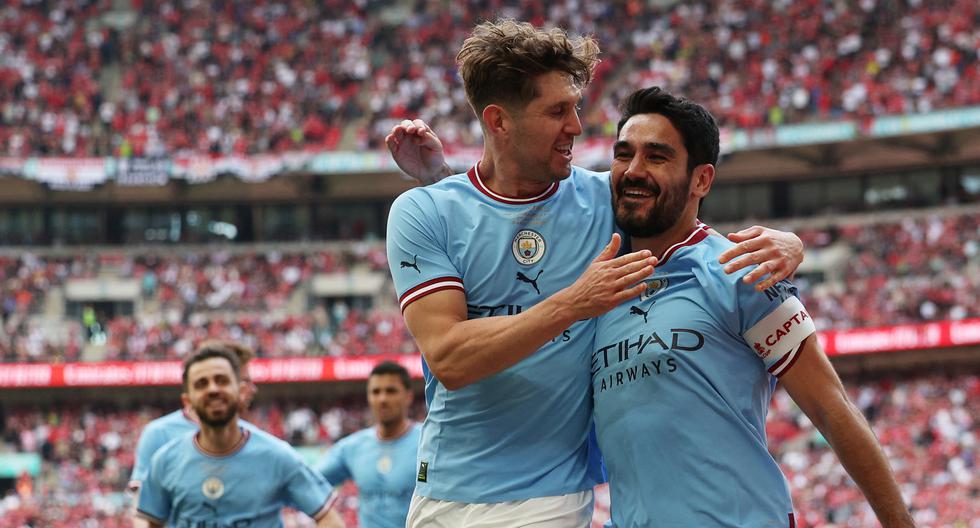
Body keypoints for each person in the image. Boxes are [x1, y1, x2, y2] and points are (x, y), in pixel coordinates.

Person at [385, 19, 805, 526]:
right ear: (498, 121)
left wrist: (787, 241)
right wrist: (573, 302)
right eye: (557, 110)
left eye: (576, 107)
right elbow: (450, 358)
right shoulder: (422, 212)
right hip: (446, 496)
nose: (578, 126)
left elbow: (679, 211)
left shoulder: (603, 197)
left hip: (552, 499)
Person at [591, 86, 914, 527]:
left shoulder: (741, 271)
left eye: (657, 157)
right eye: (623, 154)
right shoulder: (596, 283)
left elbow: (830, 407)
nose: (634, 170)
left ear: (701, 180)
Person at [133, 346, 346, 528]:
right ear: (187, 401)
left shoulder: (277, 456)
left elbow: (328, 517)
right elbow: (148, 521)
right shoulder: (165, 460)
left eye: (222, 380)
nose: (213, 389)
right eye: (201, 384)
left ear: (241, 390)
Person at [128, 339, 260, 495]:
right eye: (245, 381)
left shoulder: (255, 439)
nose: (251, 389)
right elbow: (141, 505)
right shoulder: (159, 433)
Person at [315, 361, 421, 528]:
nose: (383, 399)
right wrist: (327, 518)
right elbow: (309, 481)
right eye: (376, 392)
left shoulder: (428, 444)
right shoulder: (352, 447)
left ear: (408, 396)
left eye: (391, 391)